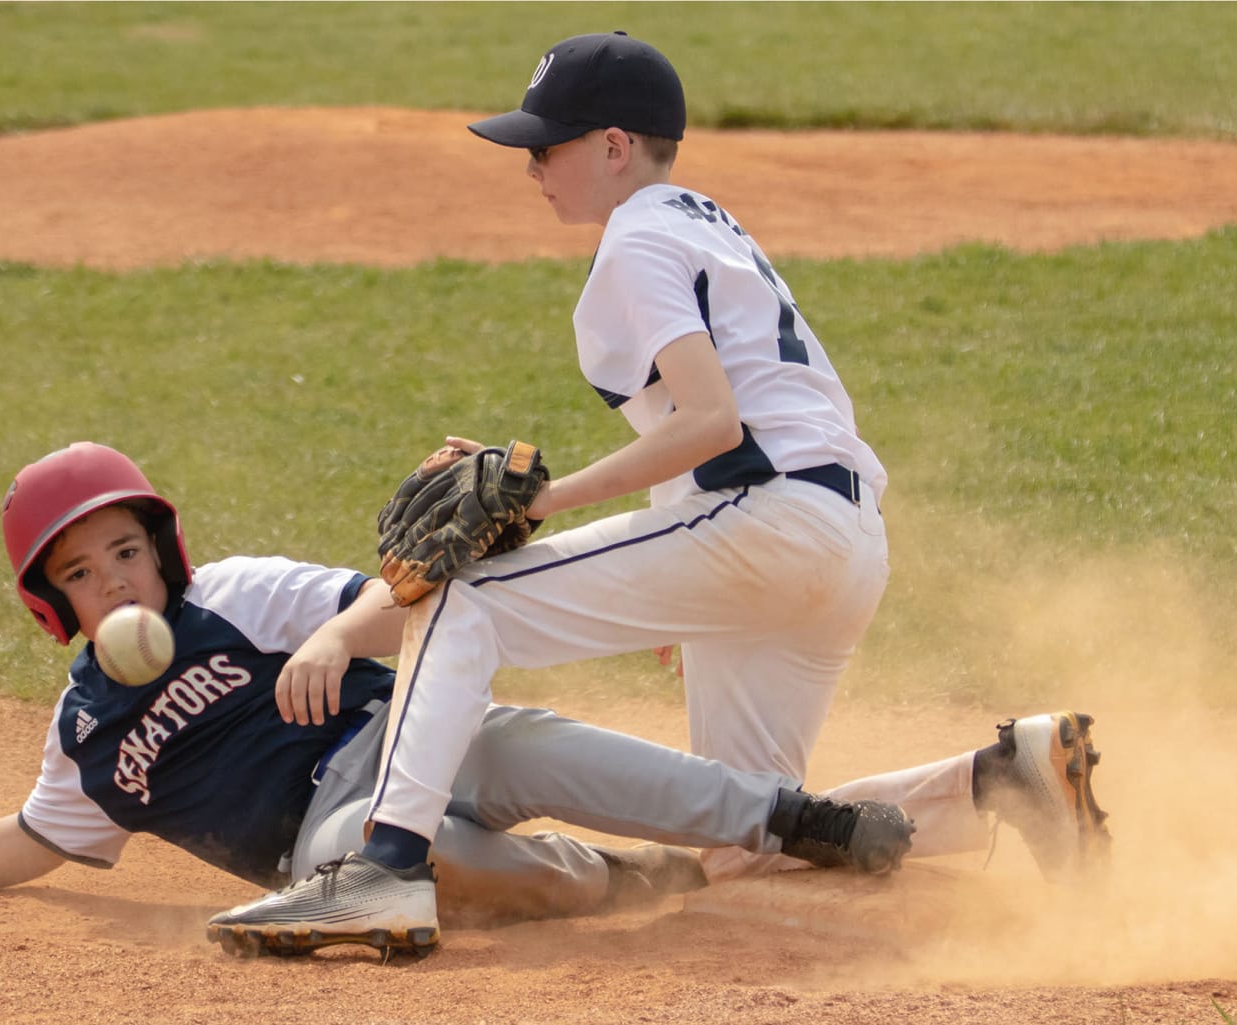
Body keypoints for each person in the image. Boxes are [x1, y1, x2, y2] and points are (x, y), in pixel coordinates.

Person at [214, 32, 1111, 947]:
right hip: (835, 539)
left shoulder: (637, 240)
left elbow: (712, 420)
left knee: (460, 602)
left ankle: (386, 867)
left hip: (769, 524)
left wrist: (544, 500)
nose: (531, 166)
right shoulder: (700, 222)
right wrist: (682, 576)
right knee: (744, 836)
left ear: (613, 147)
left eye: (547, 145)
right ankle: (1001, 780)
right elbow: (730, 416)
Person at [0, 441, 928, 961]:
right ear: (54, 604)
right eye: (82, 572)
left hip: (406, 737)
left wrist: (334, 636)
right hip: (329, 840)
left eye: (124, 551)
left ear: (160, 548)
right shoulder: (89, 734)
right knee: (453, 869)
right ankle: (636, 875)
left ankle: (798, 819)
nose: (114, 581)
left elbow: (403, 603)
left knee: (529, 745)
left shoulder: (235, 595)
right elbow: (34, 837)